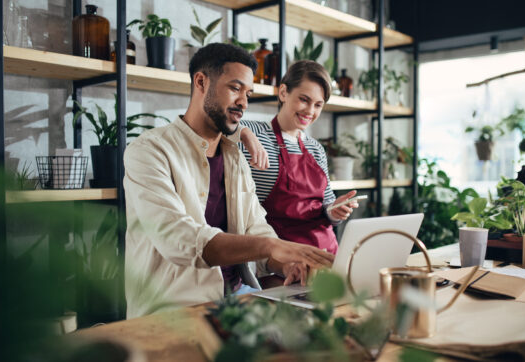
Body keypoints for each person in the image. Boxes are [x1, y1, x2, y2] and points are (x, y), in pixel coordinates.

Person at [123, 44, 334, 318]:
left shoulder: (234, 157)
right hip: (174, 313)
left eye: (248, 94)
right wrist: (274, 246)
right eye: (235, 88)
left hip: (238, 302)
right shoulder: (149, 151)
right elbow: (178, 239)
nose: (244, 103)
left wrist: (285, 264)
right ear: (201, 82)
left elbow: (256, 227)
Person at [239, 60, 359, 255]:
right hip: (281, 258)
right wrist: (243, 133)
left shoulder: (316, 148)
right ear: (284, 92)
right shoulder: (255, 134)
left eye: (318, 105)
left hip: (327, 253)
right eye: (304, 99)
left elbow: (326, 208)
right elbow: (216, 125)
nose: (310, 111)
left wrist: (335, 210)